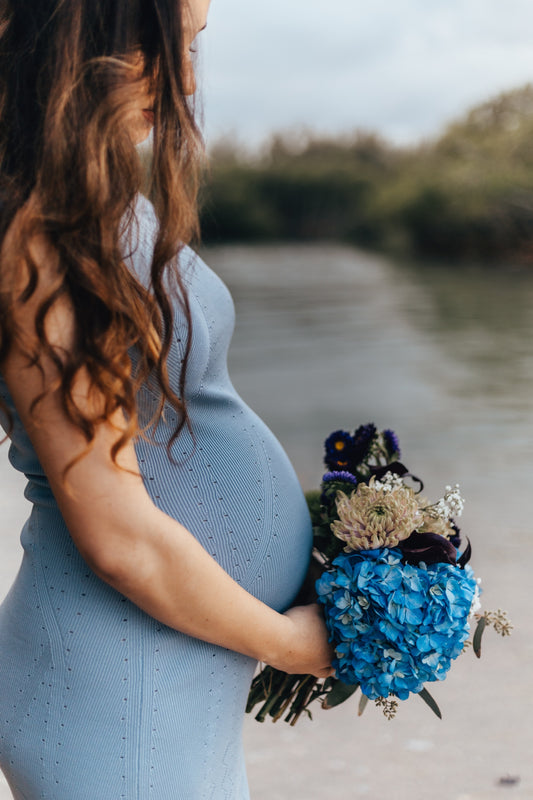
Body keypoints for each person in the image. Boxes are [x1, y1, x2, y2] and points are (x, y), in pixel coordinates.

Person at [0, 1, 333, 798]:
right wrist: (295, 645)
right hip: (115, 685)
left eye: (193, 47)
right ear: (78, 35)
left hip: (156, 670)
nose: (186, 78)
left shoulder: (91, 198)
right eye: (164, 45)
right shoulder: (41, 235)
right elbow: (121, 538)